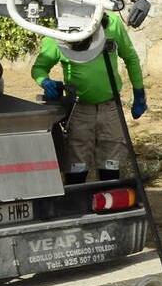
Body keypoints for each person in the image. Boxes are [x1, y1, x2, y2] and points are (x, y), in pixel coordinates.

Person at [32, 11, 146, 183]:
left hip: (110, 108)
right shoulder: (57, 35)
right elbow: (39, 68)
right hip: (79, 110)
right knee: (77, 163)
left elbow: (130, 57)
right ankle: (75, 203)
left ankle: (109, 202)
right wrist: (45, 81)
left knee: (111, 162)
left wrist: (139, 94)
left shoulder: (112, 24)